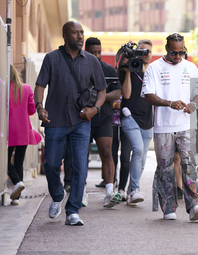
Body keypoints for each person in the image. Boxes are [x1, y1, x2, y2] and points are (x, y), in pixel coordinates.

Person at [34, 21, 106, 226]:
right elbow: (39, 86)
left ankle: (73, 210)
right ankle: (57, 195)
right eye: (75, 33)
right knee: (51, 164)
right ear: (65, 35)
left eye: (82, 32)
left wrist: (96, 108)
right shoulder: (51, 59)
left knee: (79, 166)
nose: (80, 36)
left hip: (81, 121)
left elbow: (101, 90)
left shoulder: (91, 61)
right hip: (55, 120)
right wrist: (40, 107)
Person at [143, 33, 198, 221]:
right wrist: (169, 103)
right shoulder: (154, 68)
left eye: (182, 52)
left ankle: (195, 204)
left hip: (186, 125)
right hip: (163, 126)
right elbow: (149, 96)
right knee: (166, 167)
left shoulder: (190, 67)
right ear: (166, 49)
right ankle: (168, 206)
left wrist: (193, 105)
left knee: (190, 164)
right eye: (174, 53)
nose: (178, 57)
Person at [85, 37, 122, 208]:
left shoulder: (108, 69)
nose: (96, 55)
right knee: (81, 156)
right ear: (85, 51)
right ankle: (81, 192)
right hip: (82, 118)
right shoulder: (79, 69)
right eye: (93, 52)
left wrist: (98, 99)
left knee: (107, 153)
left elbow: (117, 93)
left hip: (104, 118)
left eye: (99, 52)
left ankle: (109, 192)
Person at [118, 39, 153, 206]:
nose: (146, 54)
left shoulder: (153, 72)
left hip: (148, 120)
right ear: (137, 52)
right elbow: (126, 95)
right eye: (143, 51)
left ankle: (132, 191)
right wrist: (129, 71)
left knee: (143, 157)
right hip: (130, 116)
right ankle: (134, 189)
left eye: (149, 52)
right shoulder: (130, 68)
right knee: (137, 150)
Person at [8, 64, 42, 205]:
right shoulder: (27, 88)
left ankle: (16, 182)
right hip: (23, 131)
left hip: (7, 131)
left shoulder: (3, 88)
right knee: (19, 163)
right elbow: (32, 110)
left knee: (4, 160)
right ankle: (16, 198)